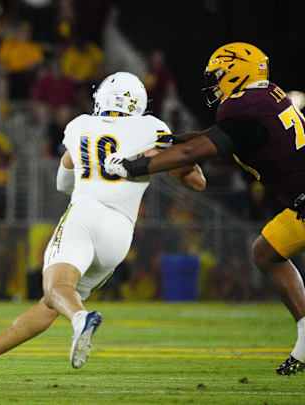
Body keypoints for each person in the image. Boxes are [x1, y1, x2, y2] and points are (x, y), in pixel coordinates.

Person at [0, 72, 206, 387]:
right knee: (53, 301)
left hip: (86, 214)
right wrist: (160, 152)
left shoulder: (80, 125)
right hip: (120, 235)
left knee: (56, 289)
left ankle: (81, 319)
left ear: (101, 98)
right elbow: (197, 182)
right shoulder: (153, 128)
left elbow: (63, 183)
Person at [104, 42, 305, 376]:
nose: (216, 83)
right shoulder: (266, 96)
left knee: (266, 252)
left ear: (237, 70)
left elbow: (194, 154)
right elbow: (213, 138)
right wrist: (172, 139)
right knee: (266, 251)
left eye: (220, 74)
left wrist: (131, 167)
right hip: (300, 207)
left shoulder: (245, 107)